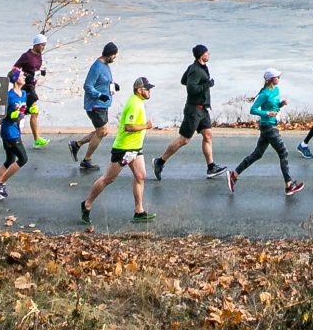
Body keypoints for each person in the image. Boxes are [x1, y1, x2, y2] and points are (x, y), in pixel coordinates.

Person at [79, 75, 153, 224]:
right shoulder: (134, 104)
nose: (149, 91)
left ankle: (139, 211)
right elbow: (128, 127)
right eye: (147, 89)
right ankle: (87, 204)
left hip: (135, 148)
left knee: (140, 176)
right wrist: (146, 126)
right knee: (108, 179)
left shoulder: (139, 102)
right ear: (139, 90)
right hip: (124, 149)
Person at [226, 68, 303, 196]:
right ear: (270, 79)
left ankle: (234, 175)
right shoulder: (265, 93)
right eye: (277, 76)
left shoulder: (276, 90)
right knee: (283, 152)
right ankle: (289, 185)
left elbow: (273, 106)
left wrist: (281, 104)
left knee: (257, 154)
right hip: (268, 127)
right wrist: (266, 113)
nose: (279, 78)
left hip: (271, 125)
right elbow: (253, 109)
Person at [158, 42, 220, 176]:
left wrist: (201, 84)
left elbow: (183, 80)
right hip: (194, 110)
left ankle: (211, 167)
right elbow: (191, 89)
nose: (208, 54)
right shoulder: (195, 70)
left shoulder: (198, 67)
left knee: (208, 135)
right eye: (206, 52)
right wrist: (207, 85)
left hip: (202, 109)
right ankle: (160, 162)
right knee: (184, 139)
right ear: (200, 55)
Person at [72, 41, 120, 171]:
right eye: (114, 56)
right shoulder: (97, 67)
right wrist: (99, 95)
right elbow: (87, 86)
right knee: (102, 131)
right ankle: (86, 160)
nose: (115, 58)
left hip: (102, 104)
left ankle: (77, 144)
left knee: (102, 131)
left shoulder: (105, 65)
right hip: (95, 105)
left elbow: (103, 80)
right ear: (109, 54)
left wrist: (113, 85)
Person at [0, 66, 32, 199]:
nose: (24, 77)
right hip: (9, 132)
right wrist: (1, 121)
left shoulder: (24, 94)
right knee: (23, 159)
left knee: (10, 159)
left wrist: (24, 114)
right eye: (21, 76)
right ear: (15, 79)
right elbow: (3, 112)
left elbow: (22, 111)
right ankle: (0, 183)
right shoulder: (9, 95)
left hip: (16, 131)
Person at [11, 33, 49, 147]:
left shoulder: (39, 55)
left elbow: (36, 68)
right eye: (42, 45)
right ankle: (15, 137)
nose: (43, 47)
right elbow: (14, 69)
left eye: (44, 45)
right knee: (22, 112)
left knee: (33, 111)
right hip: (24, 87)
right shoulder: (26, 56)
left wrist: (41, 72)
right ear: (36, 45)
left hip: (32, 86)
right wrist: (24, 75)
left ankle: (36, 139)